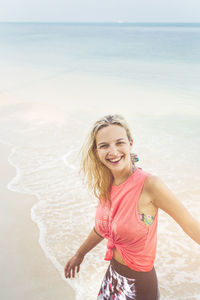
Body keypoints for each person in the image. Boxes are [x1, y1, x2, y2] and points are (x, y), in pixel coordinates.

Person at [64, 114, 200, 300]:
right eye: (104, 145)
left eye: (119, 142)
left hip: (139, 287)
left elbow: (190, 225)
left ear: (130, 143)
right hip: (112, 278)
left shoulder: (150, 185)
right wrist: (79, 255)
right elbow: (102, 227)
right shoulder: (107, 183)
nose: (113, 151)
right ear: (96, 151)